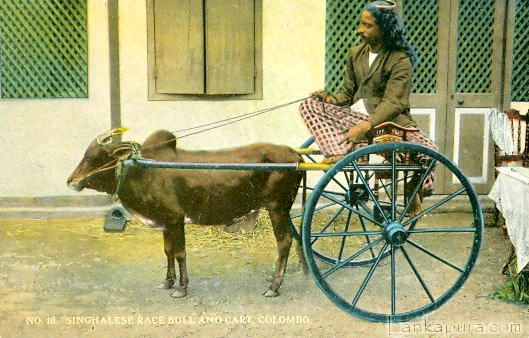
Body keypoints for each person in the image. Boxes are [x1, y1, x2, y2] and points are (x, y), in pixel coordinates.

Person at [299, 0, 438, 211]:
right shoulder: (356, 53)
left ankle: (414, 188)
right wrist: (328, 99)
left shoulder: (400, 59)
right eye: (361, 24)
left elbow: (394, 102)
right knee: (308, 105)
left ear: (384, 29)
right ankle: (338, 150)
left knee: (429, 151)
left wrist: (365, 127)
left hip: (388, 122)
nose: (360, 30)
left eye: (367, 25)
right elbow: (347, 94)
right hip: (354, 118)